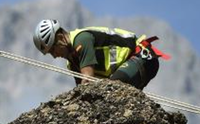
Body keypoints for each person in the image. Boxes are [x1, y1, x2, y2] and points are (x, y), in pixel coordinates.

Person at [32, 19, 170, 91]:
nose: (54, 56)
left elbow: (88, 81)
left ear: (61, 37)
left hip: (143, 56)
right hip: (132, 64)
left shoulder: (82, 40)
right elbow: (81, 91)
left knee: (111, 89)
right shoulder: (72, 62)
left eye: (53, 50)